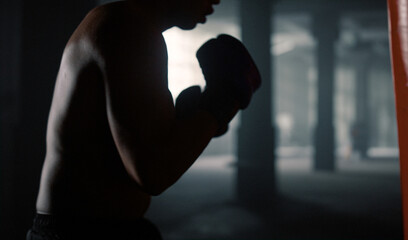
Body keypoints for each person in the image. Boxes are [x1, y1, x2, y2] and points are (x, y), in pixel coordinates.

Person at [27, 0, 260, 239]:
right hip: (82, 231)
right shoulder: (127, 26)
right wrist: (219, 103)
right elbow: (153, 173)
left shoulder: (128, 24)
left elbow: (143, 148)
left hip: (91, 228)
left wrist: (191, 122)